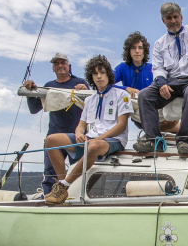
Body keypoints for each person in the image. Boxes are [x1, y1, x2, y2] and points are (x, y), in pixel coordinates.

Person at [43, 55, 132, 205]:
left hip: (113, 140)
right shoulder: (90, 99)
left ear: (108, 75)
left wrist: (98, 138)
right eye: (95, 73)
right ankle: (60, 185)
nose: (99, 76)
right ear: (91, 76)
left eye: (102, 72)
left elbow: (121, 126)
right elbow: (81, 125)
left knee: (93, 145)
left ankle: (65, 185)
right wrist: (78, 133)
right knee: (51, 140)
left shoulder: (122, 95)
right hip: (91, 139)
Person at [133, 2, 188, 155]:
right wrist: (162, 83)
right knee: (145, 95)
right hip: (171, 82)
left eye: (175, 17)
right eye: (168, 18)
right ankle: (154, 141)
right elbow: (157, 68)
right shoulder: (159, 44)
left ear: (181, 17)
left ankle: (183, 140)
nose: (173, 21)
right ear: (163, 21)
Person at [23, 53, 89, 195]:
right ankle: (49, 198)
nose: (60, 66)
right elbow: (34, 109)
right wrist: (31, 91)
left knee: (77, 171)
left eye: (63, 62)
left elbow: (93, 105)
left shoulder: (80, 83)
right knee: (50, 173)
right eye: (56, 63)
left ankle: (76, 198)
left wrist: (85, 91)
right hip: (54, 135)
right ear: (53, 68)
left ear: (69, 66)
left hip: (76, 136)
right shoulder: (49, 86)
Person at [113, 31, 153, 98]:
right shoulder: (122, 67)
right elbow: (106, 83)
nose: (137, 51)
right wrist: (125, 88)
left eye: (140, 48)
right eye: (133, 48)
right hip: (128, 104)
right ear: (129, 51)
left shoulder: (153, 69)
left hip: (148, 105)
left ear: (144, 51)